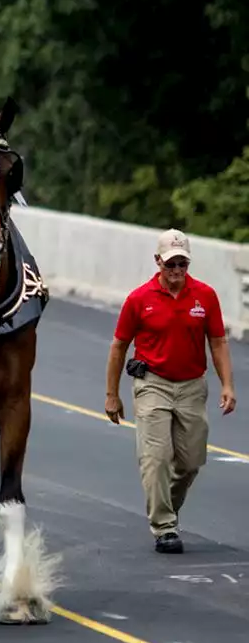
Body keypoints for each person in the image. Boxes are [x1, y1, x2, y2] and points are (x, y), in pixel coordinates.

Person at [106, 229, 237, 554]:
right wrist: (112, 394)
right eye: (170, 265)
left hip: (192, 386)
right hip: (153, 384)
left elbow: (218, 342)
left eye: (182, 264)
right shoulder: (139, 299)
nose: (177, 271)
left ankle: (167, 507)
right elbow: (119, 347)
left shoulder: (204, 296)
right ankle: (164, 527)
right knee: (156, 458)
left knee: (191, 461)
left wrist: (228, 385)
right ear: (158, 262)